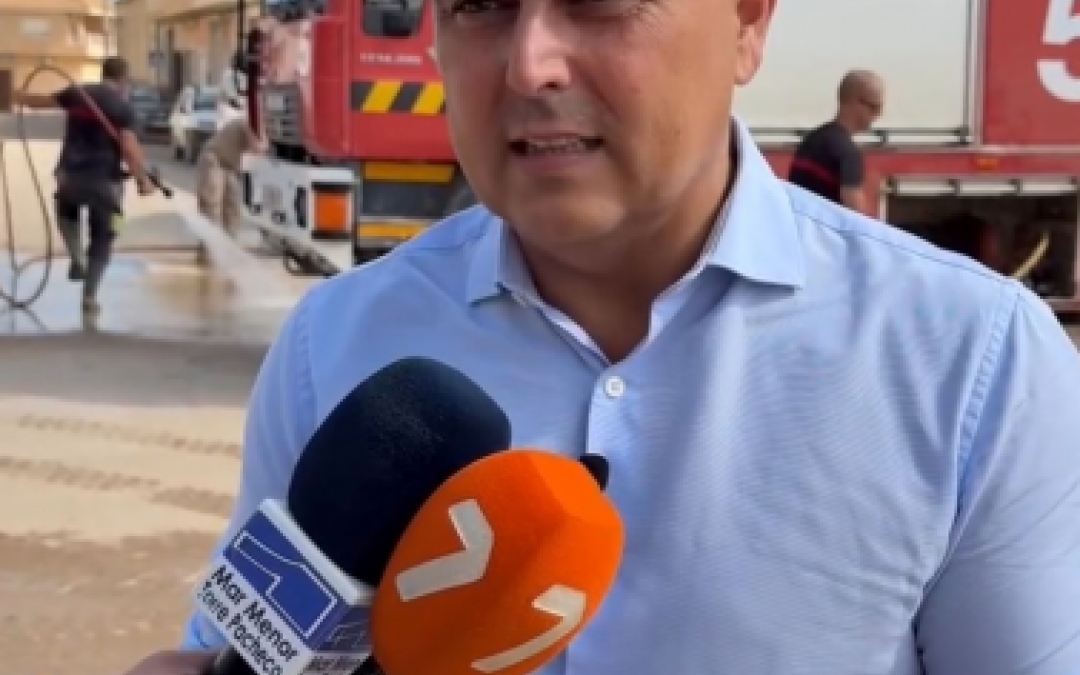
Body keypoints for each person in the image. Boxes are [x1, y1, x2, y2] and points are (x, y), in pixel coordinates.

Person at [126, 0, 1080, 673]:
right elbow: (253, 647)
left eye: (598, 1)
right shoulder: (333, 344)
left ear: (749, 23)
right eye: (480, 6)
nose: (530, 64)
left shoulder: (974, 365)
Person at [14, 56, 155, 316]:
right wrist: (142, 181)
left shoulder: (77, 93)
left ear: (104, 74)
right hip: (106, 183)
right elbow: (129, 147)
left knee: (65, 212)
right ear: (124, 80)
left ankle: (77, 257)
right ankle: (90, 296)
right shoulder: (125, 109)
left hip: (69, 176)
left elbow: (37, 102)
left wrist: (15, 95)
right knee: (106, 234)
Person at [787, 69, 883, 214]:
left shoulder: (810, 140)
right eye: (875, 107)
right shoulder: (848, 152)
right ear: (856, 102)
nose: (878, 115)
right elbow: (854, 215)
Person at [195, 116, 263, 236]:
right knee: (212, 206)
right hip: (214, 159)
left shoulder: (255, 125)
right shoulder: (248, 122)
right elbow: (256, 148)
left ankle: (229, 243)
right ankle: (210, 245)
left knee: (233, 206)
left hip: (230, 166)